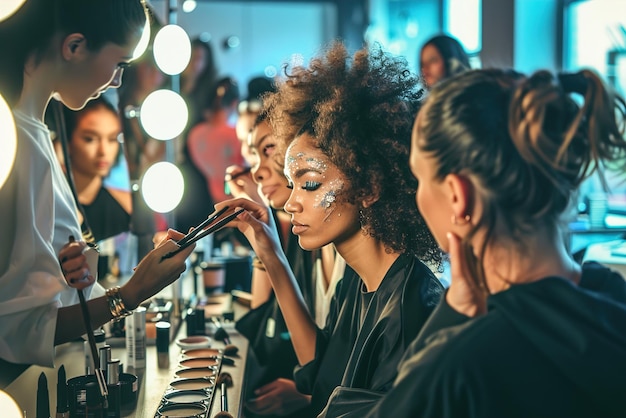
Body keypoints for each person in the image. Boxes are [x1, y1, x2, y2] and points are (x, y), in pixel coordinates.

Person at [323, 68, 626, 417]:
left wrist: (444, 326)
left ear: (457, 197)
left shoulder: (463, 366)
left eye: (419, 178)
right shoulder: (612, 299)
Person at [218, 41, 444, 416]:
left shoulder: (410, 311)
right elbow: (319, 377)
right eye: (291, 185)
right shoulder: (356, 284)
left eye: (309, 184)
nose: (291, 204)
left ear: (369, 185)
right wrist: (270, 251)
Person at [0, 0, 194, 375]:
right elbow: (17, 329)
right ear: (74, 47)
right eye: (119, 64)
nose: (117, 81)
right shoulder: (16, 144)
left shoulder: (36, 137)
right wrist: (131, 294)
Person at [237, 113, 346, 418]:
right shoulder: (310, 242)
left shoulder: (358, 260)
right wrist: (266, 249)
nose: (257, 172)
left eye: (268, 148)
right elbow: (266, 333)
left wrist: (308, 395)